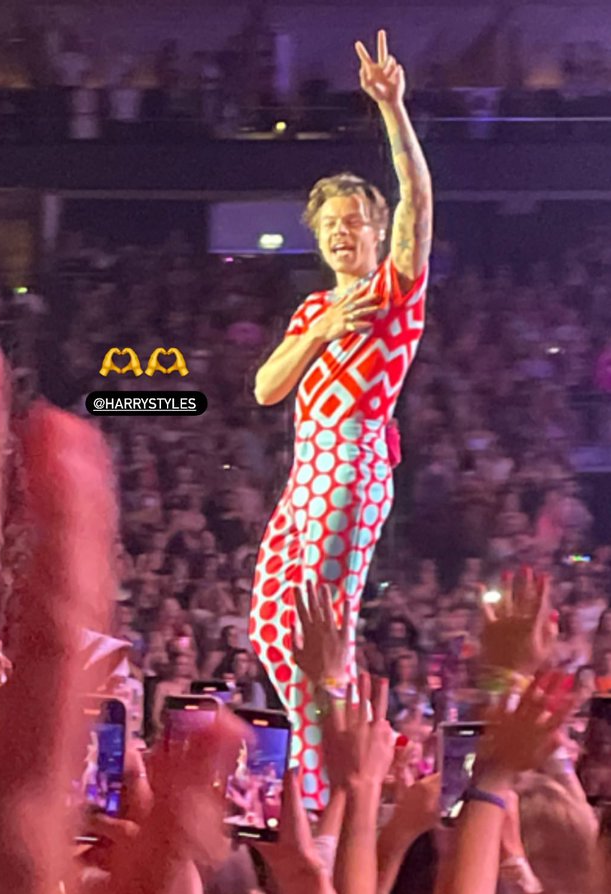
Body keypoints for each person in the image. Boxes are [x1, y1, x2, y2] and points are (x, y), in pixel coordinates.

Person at [250, 29, 432, 808]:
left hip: (351, 462)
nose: (341, 229)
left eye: (356, 219)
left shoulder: (393, 290)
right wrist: (318, 333)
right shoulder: (315, 308)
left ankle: (329, 795)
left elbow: (418, 200)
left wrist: (391, 110)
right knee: (268, 626)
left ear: (375, 229)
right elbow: (264, 388)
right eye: (330, 220)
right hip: (306, 468)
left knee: (325, 632)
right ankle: (332, 767)